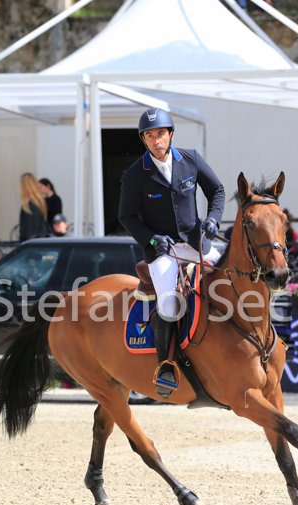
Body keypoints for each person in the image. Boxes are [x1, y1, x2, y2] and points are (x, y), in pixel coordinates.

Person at [119, 108, 225, 397]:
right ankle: (165, 365)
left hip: (197, 244)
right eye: (150, 136)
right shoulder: (134, 175)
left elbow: (217, 190)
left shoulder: (191, 159)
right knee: (168, 305)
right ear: (144, 139)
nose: (156, 141)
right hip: (163, 251)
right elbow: (126, 217)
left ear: (171, 135)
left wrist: (213, 220)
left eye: (161, 134)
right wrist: (152, 240)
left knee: (232, 277)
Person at [19, 173, 49, 242]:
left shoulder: (30, 206)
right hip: (38, 243)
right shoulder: (38, 204)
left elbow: (30, 233)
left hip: (32, 245)